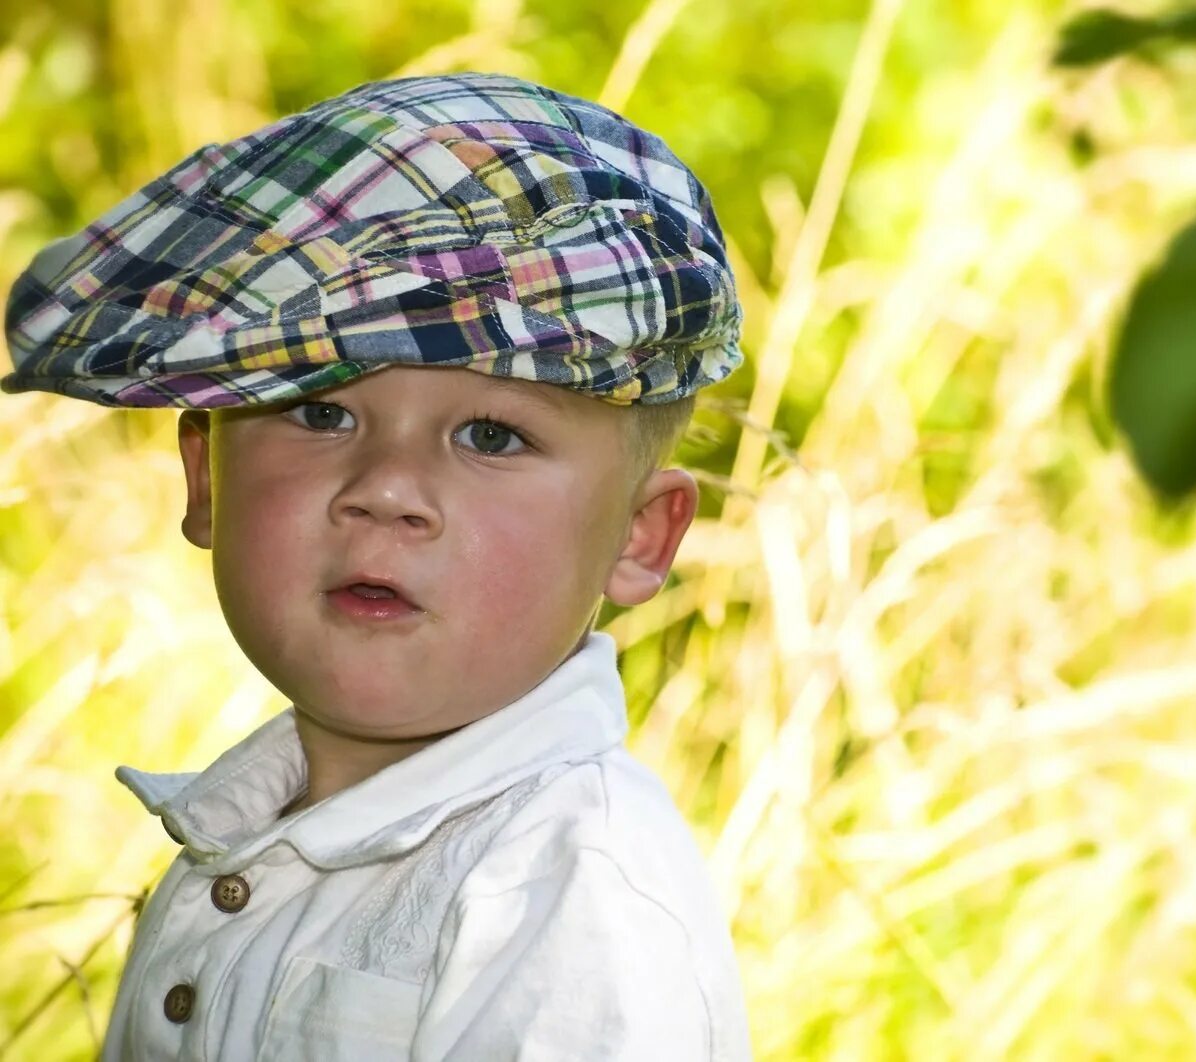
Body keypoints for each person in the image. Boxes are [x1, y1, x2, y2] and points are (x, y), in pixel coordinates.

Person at [1, 72, 750, 1061]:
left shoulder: (570, 901)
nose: (387, 487)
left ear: (639, 537)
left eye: (491, 433)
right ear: (205, 477)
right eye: (322, 413)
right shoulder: (241, 831)